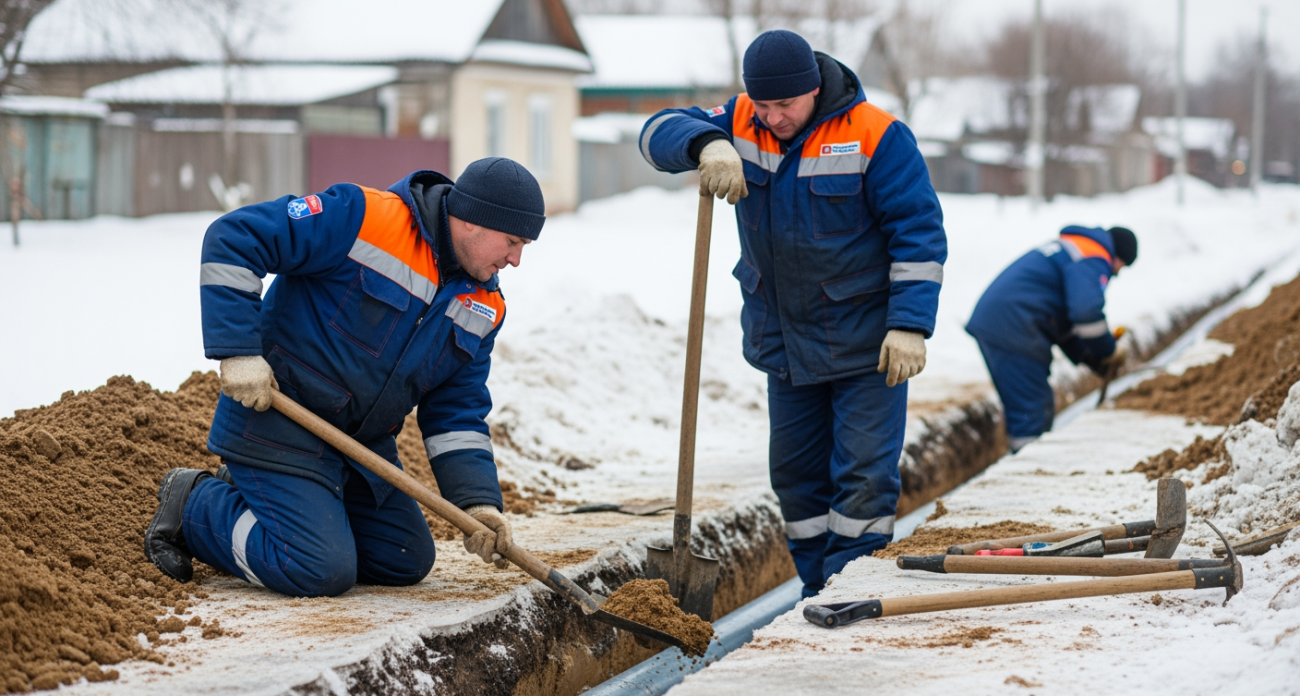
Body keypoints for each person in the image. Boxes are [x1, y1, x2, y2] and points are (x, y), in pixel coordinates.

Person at [144, 157, 545, 597]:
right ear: (472, 222)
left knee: (406, 558)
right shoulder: (363, 218)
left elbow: (457, 413)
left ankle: (270, 504)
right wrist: (238, 350)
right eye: (512, 241)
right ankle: (195, 504)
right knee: (318, 568)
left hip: (356, 450)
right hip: (280, 425)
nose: (516, 259)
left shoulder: (484, 306)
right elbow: (236, 236)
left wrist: (478, 502)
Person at [638, 30, 947, 597]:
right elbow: (655, 131)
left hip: (866, 347)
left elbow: (919, 235)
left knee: (861, 481)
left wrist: (909, 324)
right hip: (783, 345)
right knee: (797, 483)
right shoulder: (740, 120)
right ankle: (816, 587)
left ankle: (849, 590)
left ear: (813, 89)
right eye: (764, 105)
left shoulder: (876, 136)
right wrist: (706, 143)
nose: (774, 117)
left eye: (786, 105)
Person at [966, 225, 1137, 452]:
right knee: (1032, 406)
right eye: (1121, 267)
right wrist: (1108, 351)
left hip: (1007, 320)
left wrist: (1093, 358)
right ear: (1119, 256)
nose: (1116, 273)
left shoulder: (1076, 248)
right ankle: (1027, 470)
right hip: (1014, 324)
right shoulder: (1094, 256)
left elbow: (1065, 323)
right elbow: (1085, 313)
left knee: (1033, 402)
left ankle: (1026, 459)